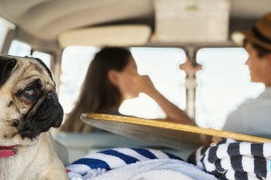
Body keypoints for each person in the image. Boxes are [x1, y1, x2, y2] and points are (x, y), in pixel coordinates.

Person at [61, 46, 195, 132]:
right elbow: (188, 127)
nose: (139, 74)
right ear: (114, 77)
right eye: (134, 69)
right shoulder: (120, 125)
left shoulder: (72, 124)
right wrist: (152, 91)